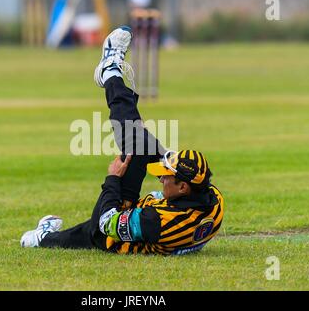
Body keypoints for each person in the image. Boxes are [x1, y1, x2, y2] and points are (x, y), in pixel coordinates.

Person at [20, 26, 224, 255]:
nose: (160, 179)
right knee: (139, 141)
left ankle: (42, 238)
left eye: (166, 176)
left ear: (184, 187)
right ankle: (110, 73)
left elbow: (106, 223)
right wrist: (164, 168)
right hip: (149, 217)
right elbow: (169, 198)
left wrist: (113, 179)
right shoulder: (213, 200)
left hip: (108, 234)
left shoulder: (157, 222)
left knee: (92, 231)